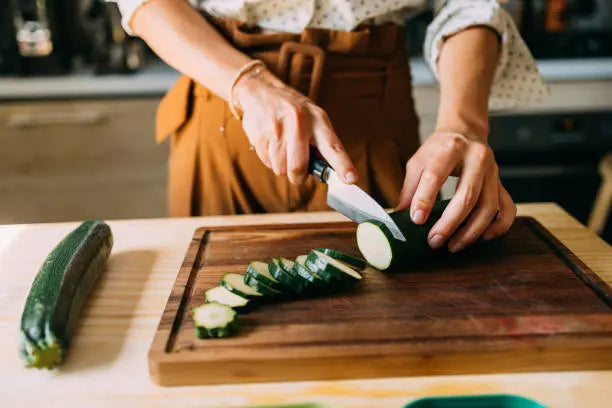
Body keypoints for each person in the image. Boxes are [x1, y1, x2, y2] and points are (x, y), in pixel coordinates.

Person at [110, 0, 547, 253]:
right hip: (221, 105)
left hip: (374, 120)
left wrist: (464, 124)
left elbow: (471, 4)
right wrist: (248, 82)